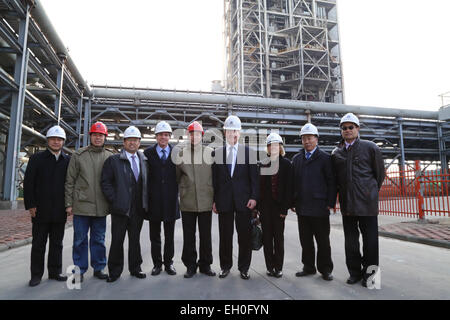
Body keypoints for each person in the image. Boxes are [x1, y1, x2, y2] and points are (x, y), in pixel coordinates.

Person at [331, 113, 385, 287]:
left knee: (370, 243)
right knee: (351, 242)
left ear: (358, 129)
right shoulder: (337, 153)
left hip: (367, 204)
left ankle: (370, 277)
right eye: (344, 128)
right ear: (341, 130)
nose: (347, 130)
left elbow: (379, 175)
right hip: (348, 204)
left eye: (351, 127)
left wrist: (370, 192)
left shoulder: (370, 148)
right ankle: (354, 273)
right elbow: (336, 180)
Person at [212, 115, 259, 280]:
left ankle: (244, 267)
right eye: (229, 131)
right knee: (225, 236)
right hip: (224, 201)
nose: (233, 134)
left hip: (244, 202)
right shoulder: (217, 153)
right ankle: (225, 266)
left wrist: (254, 197)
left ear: (240, 133)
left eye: (235, 131)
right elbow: (215, 180)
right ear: (225, 133)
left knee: (244, 236)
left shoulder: (249, 153)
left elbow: (255, 179)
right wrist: (214, 201)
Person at [65, 121, 113, 282]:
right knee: (79, 240)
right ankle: (79, 270)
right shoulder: (78, 155)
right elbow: (69, 181)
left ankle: (99, 268)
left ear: (105, 137)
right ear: (90, 136)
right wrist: (68, 204)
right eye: (95, 135)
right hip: (81, 206)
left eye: (101, 135)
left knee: (98, 239)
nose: (98, 138)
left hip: (101, 206)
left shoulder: (109, 157)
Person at [24, 126, 70, 287]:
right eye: (53, 139)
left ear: (63, 142)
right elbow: (28, 183)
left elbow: (69, 185)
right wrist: (30, 205)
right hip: (40, 209)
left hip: (59, 209)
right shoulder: (37, 159)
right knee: (39, 243)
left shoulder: (67, 160)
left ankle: (55, 272)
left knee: (57, 243)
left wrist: (69, 205)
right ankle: (36, 275)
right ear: (48, 141)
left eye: (59, 139)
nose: (56, 142)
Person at [101, 126, 148, 282]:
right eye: (130, 140)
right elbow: (105, 183)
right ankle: (114, 271)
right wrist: (115, 200)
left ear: (139, 142)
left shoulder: (143, 160)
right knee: (117, 241)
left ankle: (136, 268)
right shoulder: (114, 160)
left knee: (135, 240)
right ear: (124, 142)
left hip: (137, 209)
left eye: (135, 140)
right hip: (120, 209)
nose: (133, 143)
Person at [292, 123, 337, 281]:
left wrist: (330, 202)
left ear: (316, 139)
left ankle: (325, 269)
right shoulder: (297, 159)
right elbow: (293, 183)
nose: (307, 141)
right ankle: (308, 267)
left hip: (320, 206)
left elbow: (331, 182)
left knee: (323, 240)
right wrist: (293, 202)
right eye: (304, 138)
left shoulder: (325, 158)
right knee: (305, 240)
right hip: (302, 207)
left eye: (310, 138)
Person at [174, 121, 216, 278]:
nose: (194, 137)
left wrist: (214, 198)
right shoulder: (180, 154)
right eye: (191, 134)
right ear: (188, 136)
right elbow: (177, 177)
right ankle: (190, 265)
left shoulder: (210, 152)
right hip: (188, 201)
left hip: (206, 200)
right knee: (189, 236)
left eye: (197, 134)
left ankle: (205, 264)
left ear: (202, 136)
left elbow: (215, 176)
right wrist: (184, 191)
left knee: (206, 235)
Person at [144, 121, 180, 276]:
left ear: (170, 137)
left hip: (171, 201)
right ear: (156, 137)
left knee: (170, 236)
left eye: (166, 135)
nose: (163, 137)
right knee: (155, 236)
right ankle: (157, 264)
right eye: (160, 135)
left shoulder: (177, 153)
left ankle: (169, 263)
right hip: (154, 202)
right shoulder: (147, 153)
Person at [257, 132, 292, 278]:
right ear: (268, 148)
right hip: (265, 208)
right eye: (271, 146)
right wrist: (257, 209)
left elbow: (290, 188)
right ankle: (269, 267)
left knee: (278, 238)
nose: (274, 148)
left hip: (279, 209)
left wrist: (285, 209)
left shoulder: (287, 164)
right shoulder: (263, 163)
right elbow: (259, 188)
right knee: (267, 239)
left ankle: (278, 267)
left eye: (277, 145)